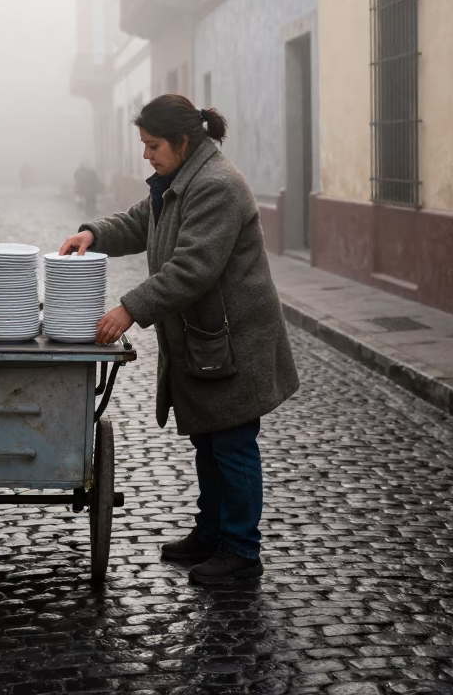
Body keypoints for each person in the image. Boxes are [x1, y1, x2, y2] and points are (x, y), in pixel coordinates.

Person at [59, 94, 299, 587]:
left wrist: (129, 308)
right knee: (209, 441)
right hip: (206, 341)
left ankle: (241, 551)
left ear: (183, 141)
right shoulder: (180, 181)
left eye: (152, 146)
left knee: (232, 443)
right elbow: (142, 222)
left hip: (236, 341)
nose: (146, 155)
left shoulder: (216, 187)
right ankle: (212, 533)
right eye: (144, 145)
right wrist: (94, 234)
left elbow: (193, 268)